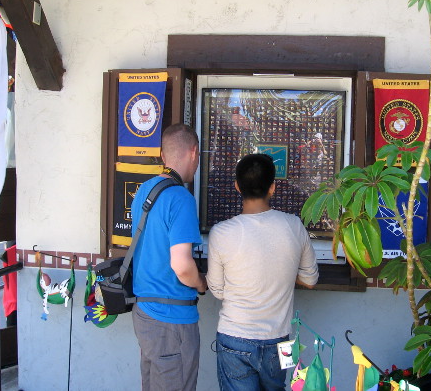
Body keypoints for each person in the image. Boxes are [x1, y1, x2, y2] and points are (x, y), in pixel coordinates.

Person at [207, 153, 319, 391]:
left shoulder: (221, 232)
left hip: (233, 336)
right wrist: (285, 273)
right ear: (273, 188)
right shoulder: (294, 225)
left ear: (237, 186)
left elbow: (217, 290)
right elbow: (310, 280)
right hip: (280, 340)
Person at [131, 123, 207, 391]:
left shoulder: (145, 190)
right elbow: (181, 265)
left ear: (164, 156)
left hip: (144, 313)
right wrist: (200, 283)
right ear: (194, 152)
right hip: (171, 319)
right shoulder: (181, 198)